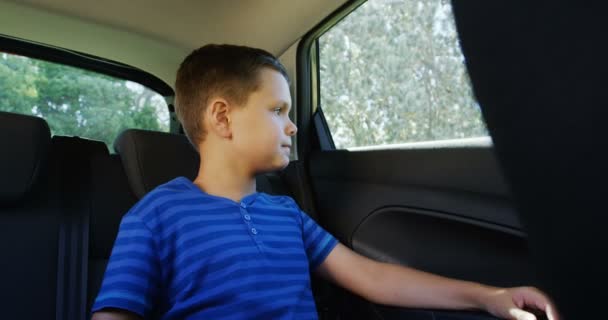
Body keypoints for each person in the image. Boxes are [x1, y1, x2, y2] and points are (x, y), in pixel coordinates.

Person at [91, 44, 559, 320]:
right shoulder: (156, 215)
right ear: (222, 118)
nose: (293, 127)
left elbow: (373, 277)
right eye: (278, 112)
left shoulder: (286, 215)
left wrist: (488, 296)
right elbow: (114, 314)